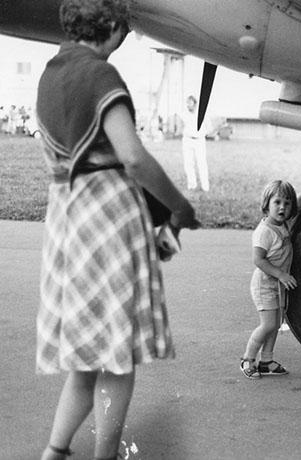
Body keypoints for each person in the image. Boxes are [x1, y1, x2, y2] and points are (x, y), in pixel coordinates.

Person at [35, 1, 200, 459]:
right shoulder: (100, 76)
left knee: (88, 355)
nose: (125, 36)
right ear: (109, 25)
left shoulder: (51, 73)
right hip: (107, 216)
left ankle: (55, 452)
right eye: (124, 28)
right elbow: (133, 157)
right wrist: (179, 207)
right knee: (117, 356)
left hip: (68, 216)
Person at [240, 180, 301, 379]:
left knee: (276, 323)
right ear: (266, 204)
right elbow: (258, 260)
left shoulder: (283, 224)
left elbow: (299, 204)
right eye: (277, 202)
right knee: (268, 325)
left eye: (287, 203)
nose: (283, 207)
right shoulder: (264, 231)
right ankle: (247, 359)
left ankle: (266, 361)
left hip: (277, 285)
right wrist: (281, 274)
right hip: (265, 284)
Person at [181, 95, 210, 191]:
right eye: (187, 103)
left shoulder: (202, 114)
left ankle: (205, 186)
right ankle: (192, 185)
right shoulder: (185, 114)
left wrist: (201, 134)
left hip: (199, 141)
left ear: (195, 104)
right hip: (187, 140)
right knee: (188, 163)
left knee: (201, 163)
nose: (188, 105)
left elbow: (209, 128)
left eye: (190, 103)